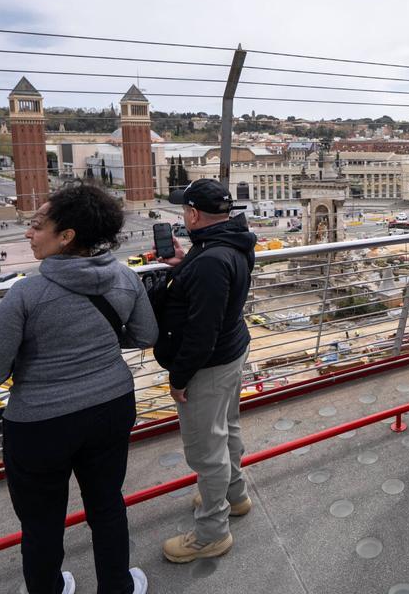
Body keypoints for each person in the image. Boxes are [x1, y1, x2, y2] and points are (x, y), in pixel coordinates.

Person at [0, 182, 157, 594]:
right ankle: (117, 586)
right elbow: (145, 335)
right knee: (107, 505)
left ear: (66, 236)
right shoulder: (125, 278)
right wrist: (104, 345)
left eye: (36, 225)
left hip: (40, 424)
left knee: (41, 523)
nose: (28, 233)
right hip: (111, 407)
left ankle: (49, 588)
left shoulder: (26, 294)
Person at [157, 179, 257, 564]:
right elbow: (220, 291)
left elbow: (201, 331)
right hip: (231, 352)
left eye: (185, 210)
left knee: (206, 451)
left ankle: (211, 533)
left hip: (209, 366)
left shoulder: (212, 260)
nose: (183, 215)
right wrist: (187, 265)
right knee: (227, 429)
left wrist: (179, 378)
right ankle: (234, 496)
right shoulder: (230, 243)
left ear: (194, 214)